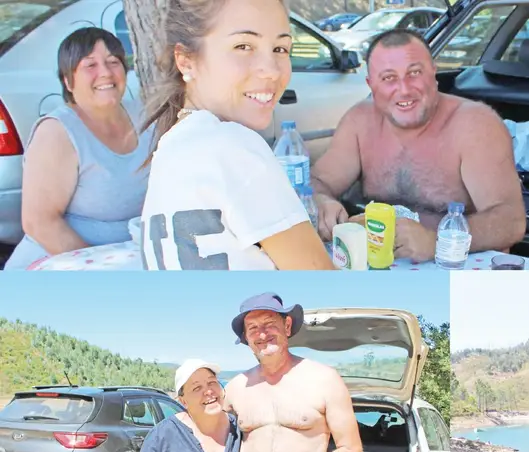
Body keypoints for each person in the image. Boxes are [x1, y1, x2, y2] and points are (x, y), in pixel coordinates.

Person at [139, 0, 334, 270]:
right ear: (186, 61)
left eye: (280, 48)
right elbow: (325, 287)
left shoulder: (171, 147)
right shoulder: (233, 146)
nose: (272, 70)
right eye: (243, 46)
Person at [310, 28, 525, 262]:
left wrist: (437, 240)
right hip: (379, 268)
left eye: (414, 73)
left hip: (455, 269)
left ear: (433, 73)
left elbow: (511, 221)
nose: (404, 89)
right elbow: (318, 182)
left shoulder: (476, 125)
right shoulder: (359, 121)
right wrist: (322, 201)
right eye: (389, 78)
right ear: (371, 84)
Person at [4, 28, 152, 270]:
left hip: (130, 265)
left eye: (113, 62)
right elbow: (40, 223)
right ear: (67, 80)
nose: (105, 72)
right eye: (90, 65)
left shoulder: (145, 116)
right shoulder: (57, 132)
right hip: (62, 267)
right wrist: (102, 273)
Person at [223, 292, 363, 452]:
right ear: (246, 339)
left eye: (269, 324)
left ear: (287, 326)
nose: (262, 334)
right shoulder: (235, 387)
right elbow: (211, 445)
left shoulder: (325, 379)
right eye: (253, 328)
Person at [132, 359, 244, 452]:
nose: (208, 391)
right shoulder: (164, 435)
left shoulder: (239, 429)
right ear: (183, 401)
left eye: (211, 382)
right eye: (197, 388)